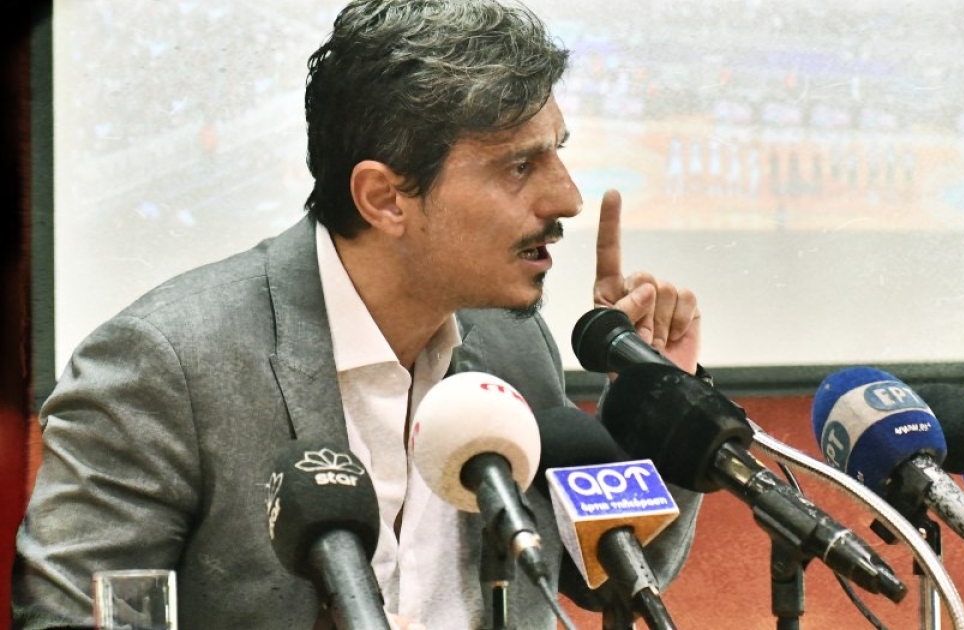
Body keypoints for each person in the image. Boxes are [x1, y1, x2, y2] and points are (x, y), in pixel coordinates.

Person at [12, 1, 703, 628]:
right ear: (384, 197)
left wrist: (658, 409)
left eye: (558, 152)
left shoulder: (513, 344)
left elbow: (613, 576)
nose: (568, 198)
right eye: (519, 166)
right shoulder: (167, 366)